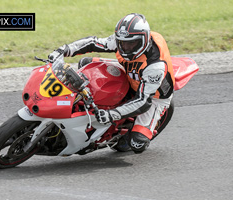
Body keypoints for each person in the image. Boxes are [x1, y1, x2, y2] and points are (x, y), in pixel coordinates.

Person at [48, 13, 175, 153]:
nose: (126, 47)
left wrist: (111, 114)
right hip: (129, 71)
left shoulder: (155, 66)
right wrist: (64, 50)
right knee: (86, 63)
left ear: (143, 40)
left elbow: (143, 102)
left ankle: (128, 132)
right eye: (122, 43)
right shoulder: (124, 38)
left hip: (154, 95)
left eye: (132, 43)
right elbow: (93, 42)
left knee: (137, 143)